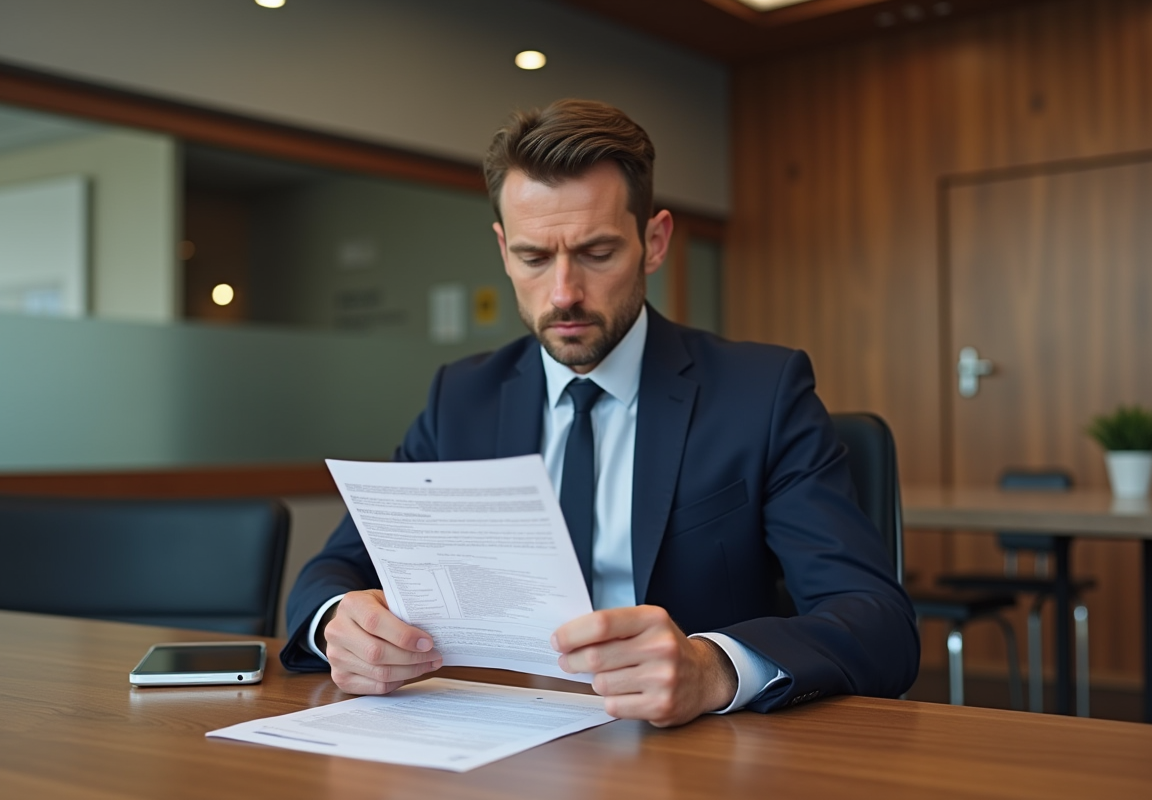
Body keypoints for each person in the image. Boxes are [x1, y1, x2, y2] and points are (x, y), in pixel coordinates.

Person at [281, 99, 919, 727]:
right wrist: (339, 621)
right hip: (492, 731)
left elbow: (876, 620)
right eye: (534, 258)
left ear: (655, 241)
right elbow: (333, 570)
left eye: (597, 253)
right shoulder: (463, 397)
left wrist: (714, 668)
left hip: (688, 752)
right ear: (503, 250)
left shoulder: (762, 394)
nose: (564, 294)